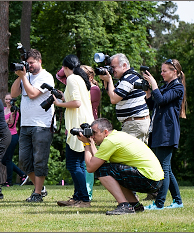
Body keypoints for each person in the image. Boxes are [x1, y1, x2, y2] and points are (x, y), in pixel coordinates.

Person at [76, 118, 164, 215]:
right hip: (155, 179)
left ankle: (124, 205)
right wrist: (91, 142)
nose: (92, 136)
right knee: (111, 171)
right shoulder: (116, 136)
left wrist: (86, 144)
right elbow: (97, 161)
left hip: (149, 178)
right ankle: (135, 205)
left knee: (103, 170)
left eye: (94, 133)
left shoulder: (110, 141)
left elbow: (90, 167)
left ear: (105, 132)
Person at [10, 48, 55, 202]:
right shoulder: (25, 76)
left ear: (39, 61)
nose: (29, 66)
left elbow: (33, 94)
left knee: (39, 160)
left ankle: (37, 194)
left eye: (31, 63)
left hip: (42, 124)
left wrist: (24, 77)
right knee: (23, 160)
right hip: (26, 124)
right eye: (27, 63)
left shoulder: (46, 77)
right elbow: (14, 94)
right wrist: (20, 76)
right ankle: (40, 188)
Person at [141, 59, 187, 210]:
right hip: (160, 131)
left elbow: (160, 100)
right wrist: (148, 92)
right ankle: (178, 201)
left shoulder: (178, 87)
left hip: (168, 132)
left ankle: (159, 204)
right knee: (167, 169)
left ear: (174, 72)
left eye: (164, 71)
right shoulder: (166, 86)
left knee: (163, 169)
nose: (161, 73)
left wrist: (154, 85)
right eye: (161, 71)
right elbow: (154, 105)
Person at [52, 55, 94, 208]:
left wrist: (58, 103)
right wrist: (63, 97)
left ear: (65, 67)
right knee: (79, 164)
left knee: (73, 164)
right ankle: (78, 197)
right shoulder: (80, 79)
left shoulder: (71, 79)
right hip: (83, 124)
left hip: (78, 126)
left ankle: (84, 199)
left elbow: (76, 103)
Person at [98, 53, 150, 143]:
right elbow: (112, 93)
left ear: (124, 65)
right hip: (133, 124)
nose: (111, 70)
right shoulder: (125, 79)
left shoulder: (129, 79)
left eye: (113, 67)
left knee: (130, 155)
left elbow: (113, 99)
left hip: (134, 124)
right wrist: (106, 81)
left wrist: (109, 80)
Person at [0, 93, 27, 187]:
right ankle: (22, 174)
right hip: (4, 136)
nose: (8, 101)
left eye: (10, 99)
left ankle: (9, 182)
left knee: (8, 159)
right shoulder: (2, 110)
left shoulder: (16, 111)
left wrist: (12, 113)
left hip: (12, 136)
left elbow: (10, 123)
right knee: (3, 160)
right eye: (6, 99)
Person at [82, 65, 100, 200]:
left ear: (91, 77)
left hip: (89, 129)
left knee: (88, 161)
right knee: (79, 162)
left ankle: (87, 193)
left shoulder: (94, 90)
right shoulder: (83, 89)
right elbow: (60, 75)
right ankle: (81, 192)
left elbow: (81, 102)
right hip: (81, 127)